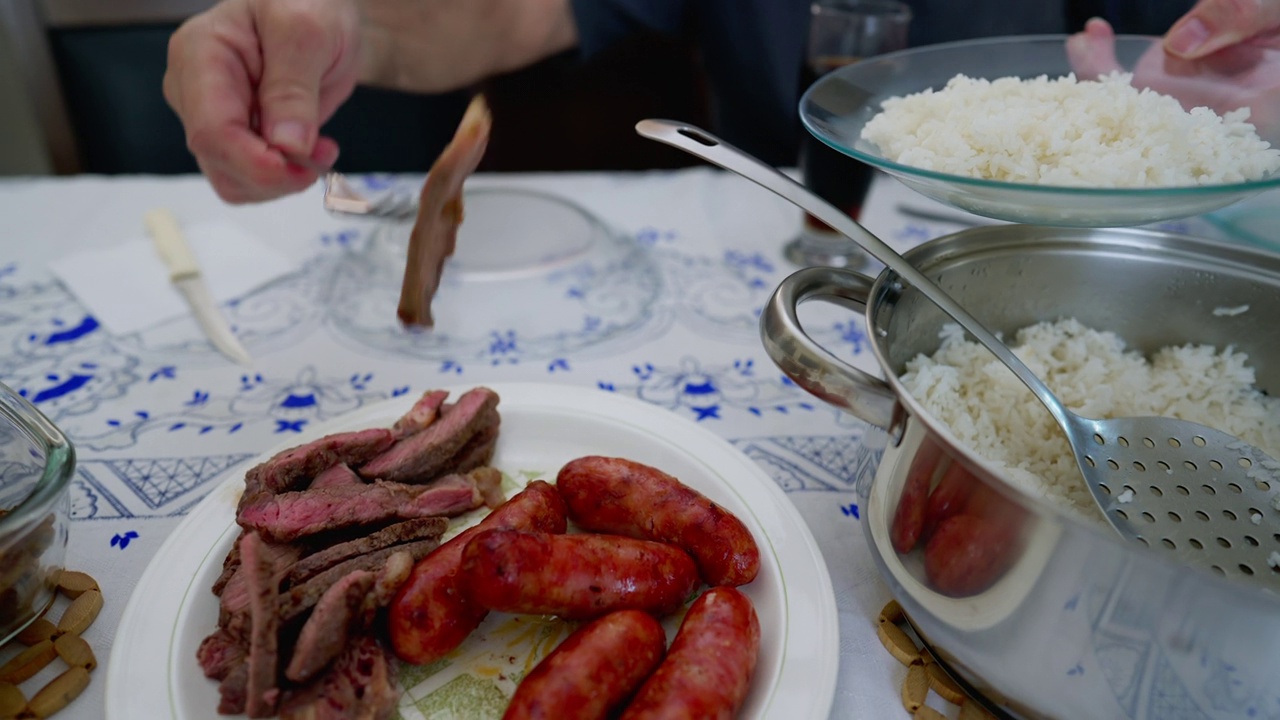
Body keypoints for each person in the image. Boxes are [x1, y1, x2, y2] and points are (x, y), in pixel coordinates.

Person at [163, 0, 1279, 205]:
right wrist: (339, 21)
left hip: (1052, 248)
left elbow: (1221, 61)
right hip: (769, 232)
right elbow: (513, 11)